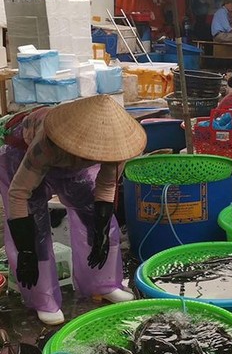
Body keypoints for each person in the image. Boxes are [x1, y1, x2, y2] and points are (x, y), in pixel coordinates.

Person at [0, 95, 146, 325]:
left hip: (70, 162)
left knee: (95, 220)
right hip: (22, 155)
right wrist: (26, 250)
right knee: (35, 229)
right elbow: (19, 194)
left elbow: (106, 185)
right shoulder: (47, 144)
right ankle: (43, 299)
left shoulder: (116, 148)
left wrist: (100, 230)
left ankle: (103, 283)